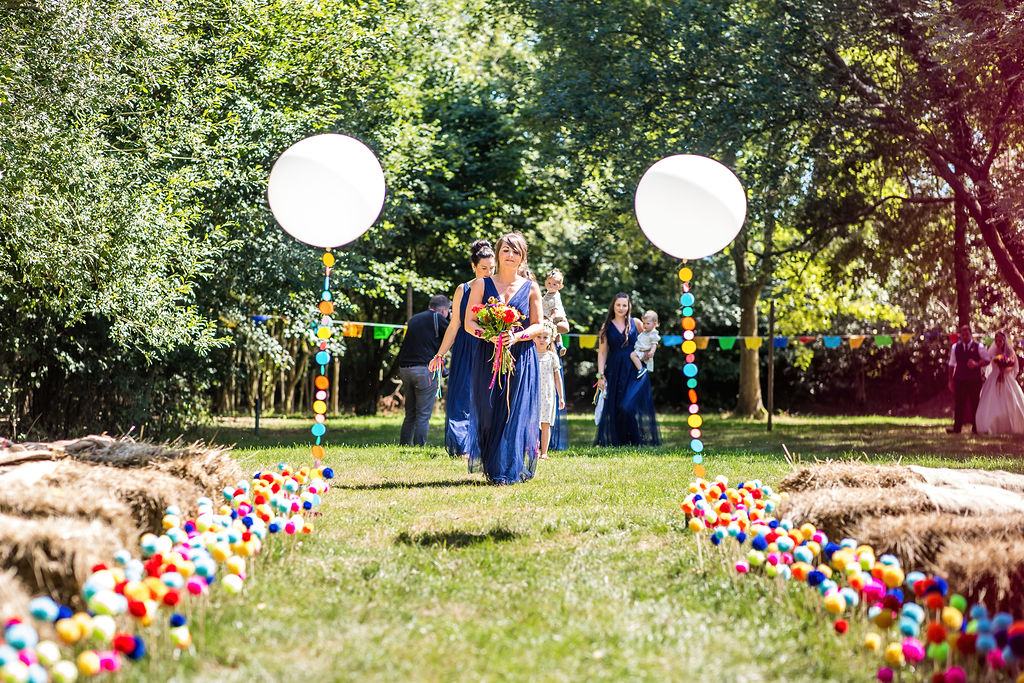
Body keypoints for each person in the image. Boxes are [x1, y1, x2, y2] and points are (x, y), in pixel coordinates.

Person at [464, 232, 544, 484]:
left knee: (515, 411)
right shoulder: (481, 284)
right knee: (488, 411)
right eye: (506, 250)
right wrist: (488, 336)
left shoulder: (531, 287)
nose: (510, 255)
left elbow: (538, 325)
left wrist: (517, 337)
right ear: (498, 253)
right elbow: (468, 322)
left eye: (516, 252)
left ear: (522, 258)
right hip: (488, 356)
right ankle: (492, 464)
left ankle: (508, 468)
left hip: (521, 356)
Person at [428, 240, 496, 458]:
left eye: (492, 268)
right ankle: (463, 447)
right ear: (473, 267)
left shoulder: (500, 287)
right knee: (463, 396)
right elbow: (455, 324)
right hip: (466, 348)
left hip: (492, 347)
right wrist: (440, 354)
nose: (488, 272)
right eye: (483, 268)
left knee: (489, 397)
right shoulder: (463, 289)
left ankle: (487, 444)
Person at [594, 293, 660, 447]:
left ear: (628, 306)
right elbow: (602, 352)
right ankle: (620, 442)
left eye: (624, 305)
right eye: (618, 305)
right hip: (614, 370)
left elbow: (650, 338)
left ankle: (636, 440)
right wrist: (600, 375)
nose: (621, 308)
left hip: (634, 369)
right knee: (616, 406)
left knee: (628, 405)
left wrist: (648, 354)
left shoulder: (636, 323)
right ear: (613, 306)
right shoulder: (606, 327)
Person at [397, 294, 451, 446]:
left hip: (405, 370)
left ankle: (404, 444)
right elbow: (451, 335)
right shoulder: (438, 318)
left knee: (410, 413)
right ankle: (419, 446)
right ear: (443, 310)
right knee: (423, 414)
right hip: (425, 370)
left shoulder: (414, 319)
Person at [975, 331, 1024, 434]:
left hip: (1006, 377)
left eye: (1000, 341)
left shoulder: (1009, 352)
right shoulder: (991, 352)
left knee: (1009, 399)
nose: (998, 343)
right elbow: (987, 362)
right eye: (996, 341)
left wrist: (1004, 370)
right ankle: (989, 425)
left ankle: (1009, 425)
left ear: (1004, 341)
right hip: (994, 377)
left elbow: (1013, 366)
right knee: (991, 401)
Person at [946, 323, 989, 434]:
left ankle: (976, 428)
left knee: (975, 403)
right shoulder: (955, 347)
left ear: (971, 334)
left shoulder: (978, 346)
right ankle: (957, 429)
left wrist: (976, 364)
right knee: (959, 404)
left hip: (974, 380)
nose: (965, 337)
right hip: (959, 379)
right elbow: (952, 363)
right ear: (960, 335)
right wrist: (950, 380)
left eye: (967, 334)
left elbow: (987, 360)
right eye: (963, 335)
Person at [534, 322, 565, 460]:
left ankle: (544, 452)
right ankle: (533, 450)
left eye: (545, 337)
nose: (542, 340)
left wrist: (561, 396)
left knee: (545, 424)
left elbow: (557, 378)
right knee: (532, 423)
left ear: (551, 338)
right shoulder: (530, 355)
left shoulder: (552, 357)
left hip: (547, 395)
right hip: (532, 394)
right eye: (539, 336)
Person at [542, 268, 570, 356]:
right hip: (547, 318)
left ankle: (560, 346)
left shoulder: (556, 296)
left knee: (556, 332)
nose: (551, 286)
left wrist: (551, 318)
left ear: (560, 286)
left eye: (554, 284)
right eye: (549, 283)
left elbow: (555, 309)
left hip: (556, 318)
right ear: (546, 282)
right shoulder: (547, 294)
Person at [630, 310, 661, 379]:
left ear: (655, 324)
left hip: (644, 352)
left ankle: (641, 369)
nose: (645, 325)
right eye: (644, 323)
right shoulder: (645, 332)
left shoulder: (653, 334)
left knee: (632, 355)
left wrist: (652, 352)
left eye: (648, 323)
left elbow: (654, 344)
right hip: (640, 351)